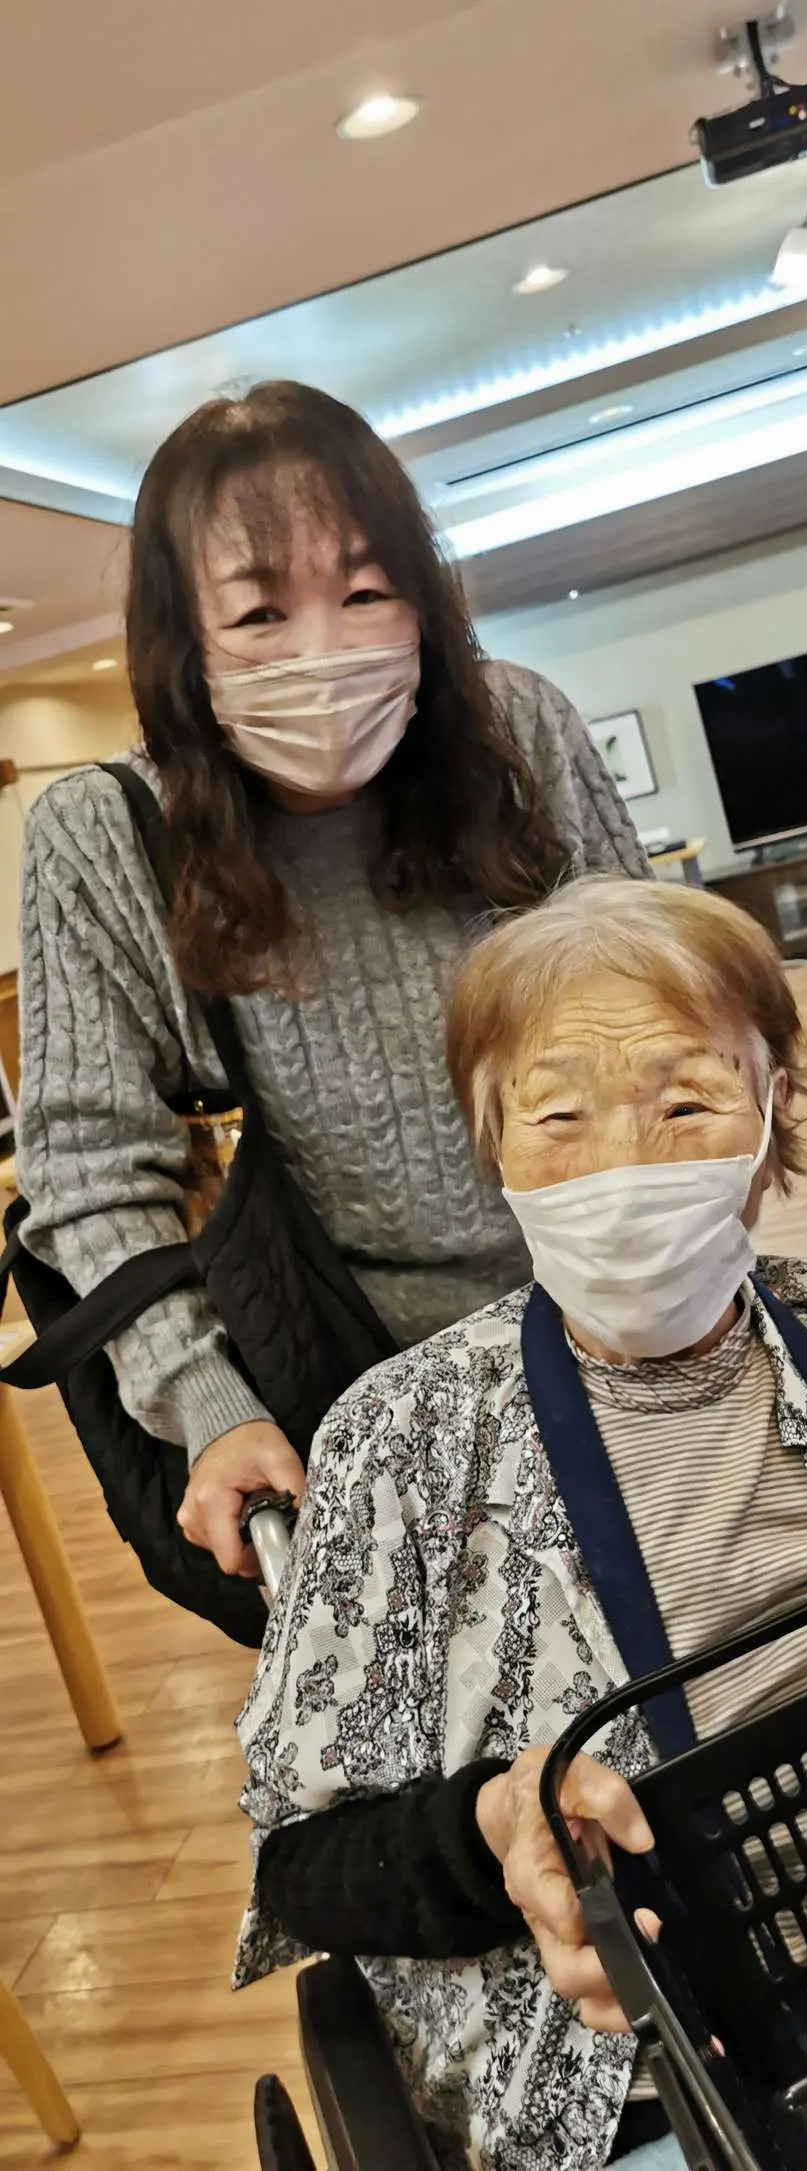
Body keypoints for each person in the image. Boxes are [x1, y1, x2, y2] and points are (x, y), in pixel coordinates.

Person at [235, 876, 807, 2171]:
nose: (627, 1165)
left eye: (686, 1102)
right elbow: (301, 1864)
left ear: (773, 1111)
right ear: (493, 1143)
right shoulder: (407, 1438)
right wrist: (493, 1823)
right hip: (645, 2065)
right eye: (559, 1116)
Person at [15, 381, 648, 1575]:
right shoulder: (104, 835)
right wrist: (207, 1402)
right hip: (346, 1395)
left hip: (621, 1322)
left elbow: (671, 1022)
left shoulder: (518, 732)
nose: (327, 651)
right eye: (259, 613)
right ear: (185, 641)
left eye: (365, 592)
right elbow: (91, 1168)